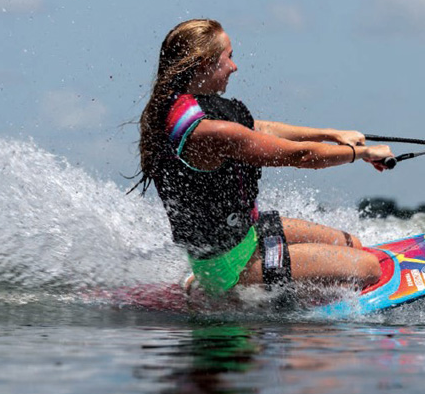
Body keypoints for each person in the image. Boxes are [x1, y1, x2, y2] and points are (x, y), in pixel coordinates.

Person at [136, 19, 394, 299]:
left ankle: (245, 283)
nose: (234, 67)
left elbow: (259, 129)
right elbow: (301, 156)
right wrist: (363, 153)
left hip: (246, 234)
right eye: (229, 57)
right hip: (232, 267)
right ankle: (227, 296)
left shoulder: (183, 106)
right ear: (203, 64)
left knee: (353, 245)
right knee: (368, 268)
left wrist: (331, 134)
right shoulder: (210, 132)